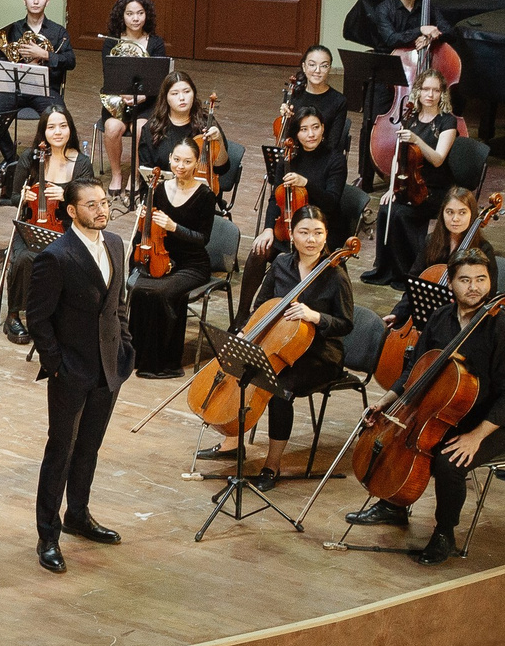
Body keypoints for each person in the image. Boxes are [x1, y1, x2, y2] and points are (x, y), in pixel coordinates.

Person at [344, 250, 505, 564]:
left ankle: (444, 532)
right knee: (399, 439)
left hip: (487, 424)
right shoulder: (440, 317)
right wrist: (386, 402)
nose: (474, 287)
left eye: (481, 280)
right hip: (437, 411)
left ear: (491, 282)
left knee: (447, 462)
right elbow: (416, 370)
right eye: (465, 280)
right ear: (452, 284)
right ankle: (395, 504)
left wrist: (477, 437)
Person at [23, 178, 131, 573]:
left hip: (110, 365)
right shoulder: (57, 256)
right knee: (61, 451)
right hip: (71, 370)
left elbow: (118, 301)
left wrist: (126, 347)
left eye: (104, 202)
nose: (101, 209)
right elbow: (37, 318)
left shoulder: (116, 243)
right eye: (91, 205)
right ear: (72, 210)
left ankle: (78, 515)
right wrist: (56, 364)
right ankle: (47, 535)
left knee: (90, 447)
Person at [202, 208, 352, 478]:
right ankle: (233, 443)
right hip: (277, 345)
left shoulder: (335, 273)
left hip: (320, 354)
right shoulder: (282, 265)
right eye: (304, 232)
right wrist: (246, 331)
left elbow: (346, 323)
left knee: (278, 389)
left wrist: (315, 316)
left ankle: (272, 464)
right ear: (292, 235)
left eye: (318, 233)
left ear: (326, 235)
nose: (311, 239)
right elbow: (261, 305)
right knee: (243, 369)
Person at [2, 103, 92, 345]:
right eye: (51, 127)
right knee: (23, 258)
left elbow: (89, 204)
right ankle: (13, 316)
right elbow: (13, 198)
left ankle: (52, 314)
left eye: (63, 126)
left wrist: (66, 196)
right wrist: (24, 197)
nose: (58, 132)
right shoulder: (29, 159)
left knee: (54, 258)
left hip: (65, 226)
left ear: (70, 129)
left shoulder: (81, 163)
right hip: (32, 224)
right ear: (43, 132)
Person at [126, 140, 216, 379]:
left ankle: (163, 363)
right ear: (169, 160)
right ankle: (137, 355)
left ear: (197, 163)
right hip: (159, 257)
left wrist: (174, 226)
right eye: (177, 160)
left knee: (162, 293)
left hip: (192, 264)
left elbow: (202, 239)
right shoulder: (158, 189)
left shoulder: (205, 195)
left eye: (188, 161)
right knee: (139, 288)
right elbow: (145, 233)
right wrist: (143, 219)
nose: (181, 166)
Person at [245, 108, 350, 310]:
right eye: (303, 129)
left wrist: (306, 183)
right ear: (296, 133)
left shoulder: (335, 160)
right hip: (288, 228)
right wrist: (268, 228)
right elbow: (275, 199)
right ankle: (244, 316)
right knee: (258, 252)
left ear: (323, 129)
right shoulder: (288, 159)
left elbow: (331, 202)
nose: (310, 134)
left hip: (322, 230)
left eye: (315, 127)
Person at [366, 70, 461, 286]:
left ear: (442, 94)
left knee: (403, 213)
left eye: (436, 90)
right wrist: (391, 188)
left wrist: (417, 139)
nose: (431, 94)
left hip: (435, 189)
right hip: (409, 185)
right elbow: (398, 157)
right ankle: (385, 269)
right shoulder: (410, 118)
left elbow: (437, 159)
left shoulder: (448, 122)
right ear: (418, 92)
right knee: (386, 209)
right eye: (426, 89)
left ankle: (409, 272)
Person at [357, 0, 439, 188]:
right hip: (386, 75)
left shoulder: (427, 8)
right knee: (371, 123)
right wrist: (419, 31)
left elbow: (449, 29)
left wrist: (433, 35)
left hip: (417, 76)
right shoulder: (384, 9)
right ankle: (366, 177)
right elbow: (391, 39)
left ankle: (412, 171)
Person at [0, 0, 75, 154]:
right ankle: (11, 159)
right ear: (24, 0)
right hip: (15, 87)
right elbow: (0, 59)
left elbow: (70, 61)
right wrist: (18, 64)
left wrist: (44, 55)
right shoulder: (13, 30)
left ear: (47, 1)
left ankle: (40, 157)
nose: (35, 1)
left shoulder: (58, 32)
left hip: (46, 89)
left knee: (60, 119)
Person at [97, 0, 170, 194]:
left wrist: (142, 96)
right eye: (130, 13)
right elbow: (109, 76)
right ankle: (117, 174)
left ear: (147, 15)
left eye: (140, 13)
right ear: (122, 16)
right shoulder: (111, 42)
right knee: (112, 129)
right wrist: (124, 96)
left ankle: (136, 175)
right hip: (117, 99)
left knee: (141, 130)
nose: (135, 18)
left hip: (147, 101)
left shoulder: (155, 43)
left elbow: (160, 81)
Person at [138, 70, 228, 189]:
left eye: (186, 92)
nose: (182, 98)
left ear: (193, 94)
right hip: (163, 194)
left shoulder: (206, 124)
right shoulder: (151, 129)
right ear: (166, 98)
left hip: (200, 196)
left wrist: (219, 140)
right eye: (175, 93)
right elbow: (147, 174)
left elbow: (222, 168)